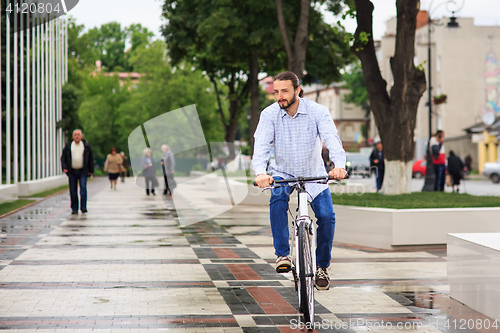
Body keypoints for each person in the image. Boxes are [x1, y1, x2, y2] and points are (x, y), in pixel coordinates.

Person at [253, 71, 347, 291]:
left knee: (327, 216)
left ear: (298, 90)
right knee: (277, 200)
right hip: (282, 172)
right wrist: (260, 172)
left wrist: (339, 165)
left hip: (314, 172)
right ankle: (282, 255)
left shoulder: (317, 111)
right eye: (276, 92)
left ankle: (322, 266)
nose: (279, 96)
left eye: (284, 91)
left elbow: (332, 139)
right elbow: (261, 146)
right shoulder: (269, 114)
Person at [60, 129, 94, 215]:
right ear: (73, 136)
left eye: (78, 134)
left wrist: (91, 170)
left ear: (81, 136)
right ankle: (74, 208)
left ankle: (83, 207)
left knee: (83, 188)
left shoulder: (86, 146)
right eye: (75, 135)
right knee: (73, 190)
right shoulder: (68, 146)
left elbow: (90, 158)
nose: (77, 136)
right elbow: (63, 158)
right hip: (72, 171)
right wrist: (64, 167)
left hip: (83, 171)